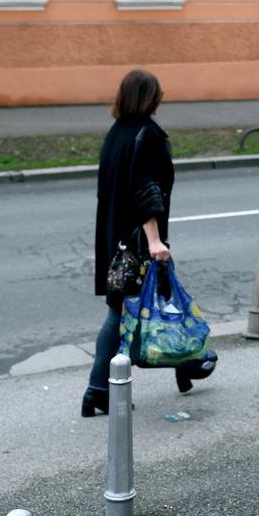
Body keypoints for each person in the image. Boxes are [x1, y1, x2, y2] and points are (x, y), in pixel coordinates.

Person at [82, 67, 187, 416]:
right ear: (151, 97)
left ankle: (99, 392)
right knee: (133, 310)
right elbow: (146, 191)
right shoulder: (148, 134)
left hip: (116, 237)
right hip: (139, 240)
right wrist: (155, 241)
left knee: (133, 307)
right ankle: (191, 364)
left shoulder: (117, 133)